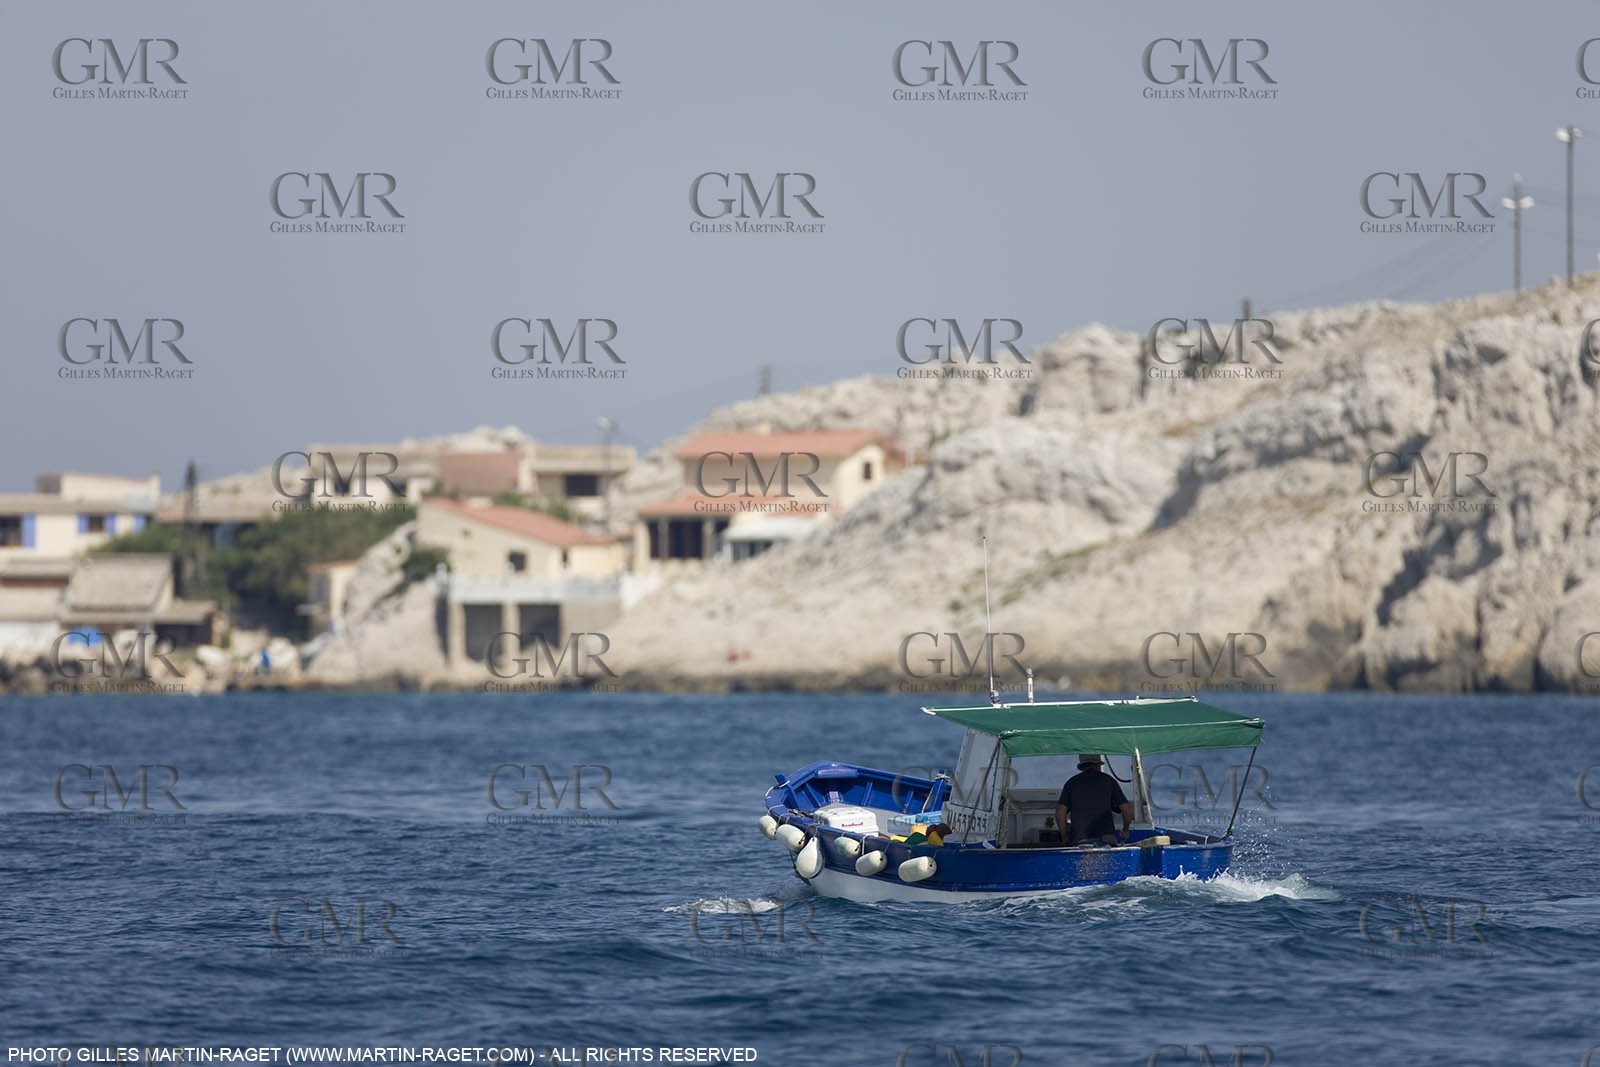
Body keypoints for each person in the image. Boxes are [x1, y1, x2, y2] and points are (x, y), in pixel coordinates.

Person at [1055, 754, 1134, 845]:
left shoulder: (1071, 783)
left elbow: (1060, 811)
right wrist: (1125, 830)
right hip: (1105, 839)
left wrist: (1064, 837)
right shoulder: (1108, 781)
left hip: (1080, 840)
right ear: (1098, 765)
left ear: (1082, 766)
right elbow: (1127, 809)